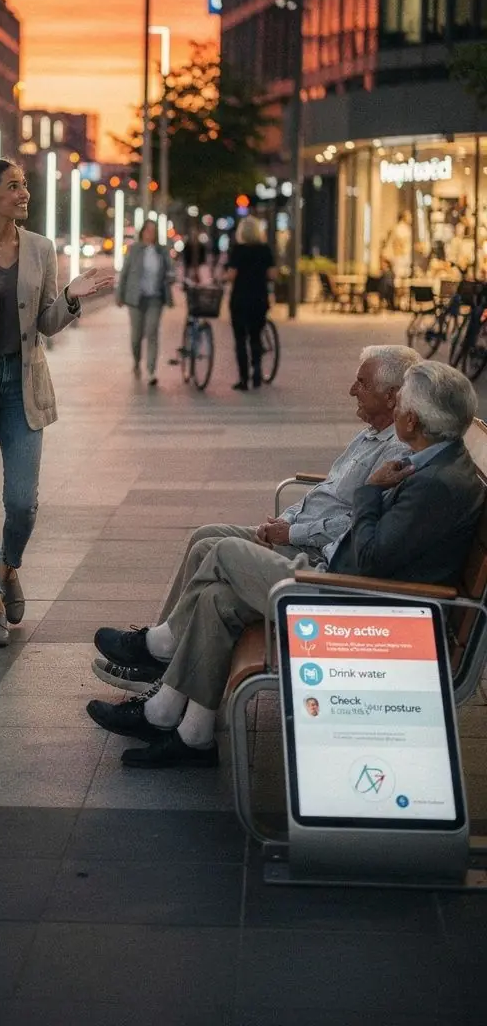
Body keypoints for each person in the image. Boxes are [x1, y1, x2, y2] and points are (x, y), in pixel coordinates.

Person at [88, 359, 484, 768]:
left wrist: (369, 491)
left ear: (413, 420)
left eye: (401, 404)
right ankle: (193, 735)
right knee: (217, 600)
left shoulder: (434, 485)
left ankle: (162, 660)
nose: (396, 408)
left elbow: (369, 557)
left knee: (223, 551)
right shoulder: (435, 463)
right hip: (343, 579)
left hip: (352, 601)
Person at [92, 343, 420, 693]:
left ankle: (160, 652)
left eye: (362, 383)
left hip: (313, 554)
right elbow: (326, 494)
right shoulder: (368, 434)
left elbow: (354, 523)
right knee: (204, 536)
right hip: (299, 538)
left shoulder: (396, 454)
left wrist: (292, 532)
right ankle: (159, 654)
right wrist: (284, 521)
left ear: (392, 396)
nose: (352, 390)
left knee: (215, 553)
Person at [0, 158, 113, 647]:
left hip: (24, 385)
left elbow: (47, 323)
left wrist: (72, 297)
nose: (24, 193)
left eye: (24, 186)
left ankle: (8, 564)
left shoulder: (40, 248)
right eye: (13, 186)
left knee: (22, 502)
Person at [116, 219, 174, 385]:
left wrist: (171, 277)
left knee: (152, 332)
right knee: (136, 336)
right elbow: (125, 273)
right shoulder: (134, 250)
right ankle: (136, 362)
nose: (151, 233)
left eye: (153, 230)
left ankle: (151, 371)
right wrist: (120, 295)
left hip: (155, 298)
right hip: (136, 299)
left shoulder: (161, 251)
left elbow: (170, 270)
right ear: (142, 232)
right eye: (148, 230)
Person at [226, 216, 276, 390]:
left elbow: (231, 275)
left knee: (240, 340)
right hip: (259, 299)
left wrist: (224, 277)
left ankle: (243, 379)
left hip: (240, 299)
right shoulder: (265, 250)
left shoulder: (238, 250)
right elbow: (272, 275)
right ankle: (257, 373)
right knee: (255, 338)